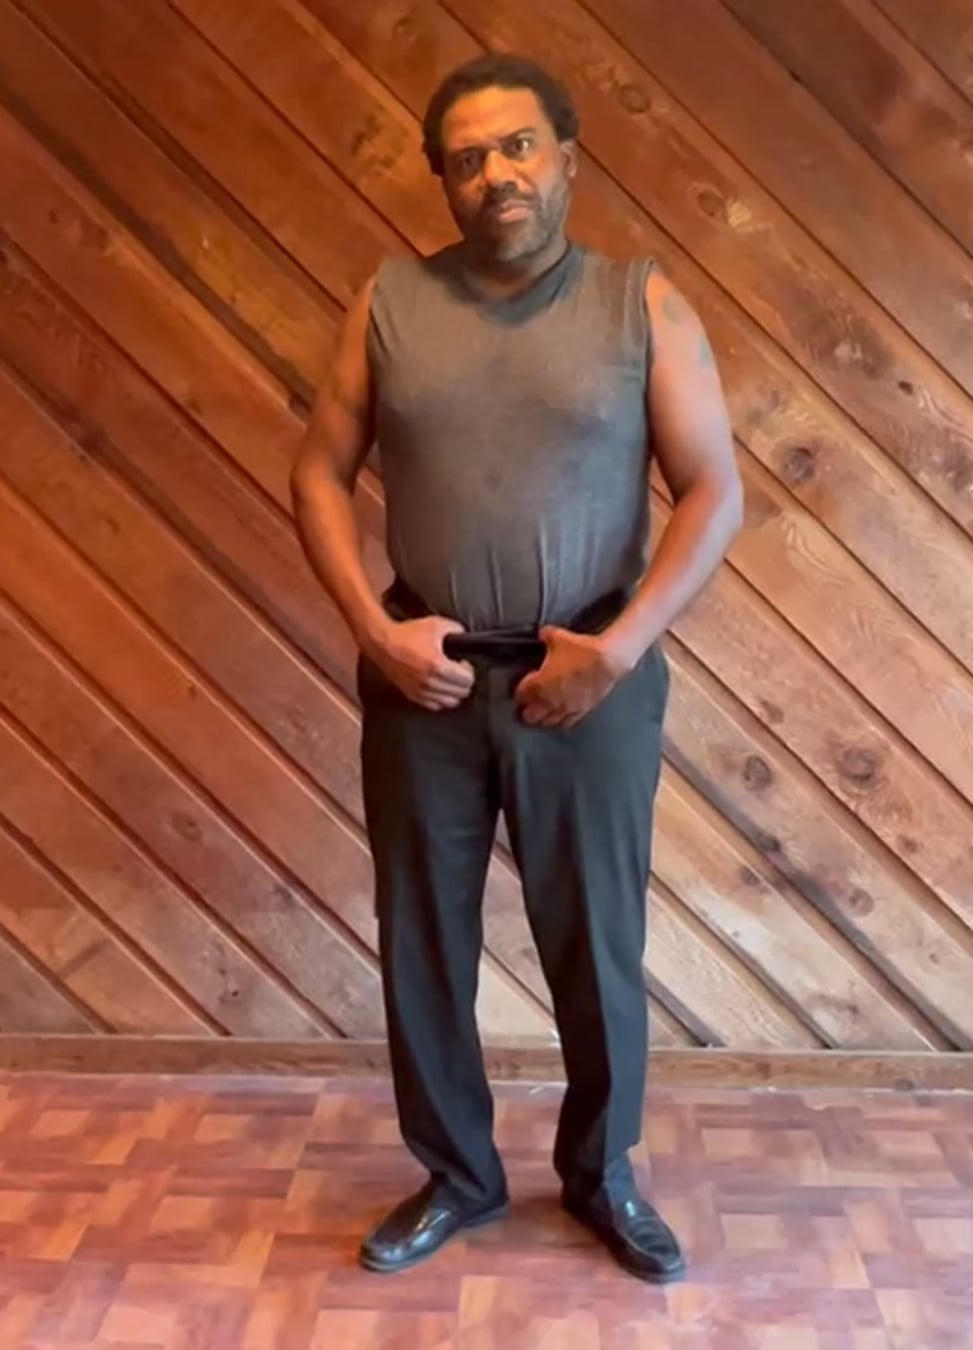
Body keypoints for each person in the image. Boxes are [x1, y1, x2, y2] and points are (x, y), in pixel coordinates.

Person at [288, 52, 742, 1284]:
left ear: (568, 160)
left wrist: (619, 651)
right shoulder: (389, 301)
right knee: (421, 934)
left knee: (596, 938)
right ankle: (457, 1174)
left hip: (589, 674)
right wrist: (372, 630)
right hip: (423, 675)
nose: (497, 173)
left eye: (519, 146)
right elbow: (318, 472)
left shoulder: (640, 302)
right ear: (444, 179)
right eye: (469, 157)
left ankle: (603, 1176)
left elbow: (714, 490)